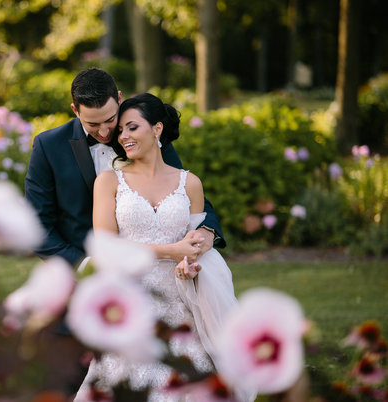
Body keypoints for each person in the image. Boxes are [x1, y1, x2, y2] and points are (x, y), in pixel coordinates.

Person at [74, 93, 255, 402]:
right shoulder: (108, 181)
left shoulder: (190, 184)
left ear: (157, 129)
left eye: (132, 127)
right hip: (131, 303)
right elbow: (105, 247)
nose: (123, 136)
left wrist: (190, 264)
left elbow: (195, 244)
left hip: (179, 306)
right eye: (121, 131)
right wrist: (171, 251)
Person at [24, 67, 225, 269]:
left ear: (119, 98)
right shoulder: (49, 146)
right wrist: (86, 267)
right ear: (75, 110)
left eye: (110, 120)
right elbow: (37, 225)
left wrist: (207, 232)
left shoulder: (147, 136)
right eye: (93, 123)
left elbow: (182, 192)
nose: (104, 132)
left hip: (161, 270)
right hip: (82, 270)